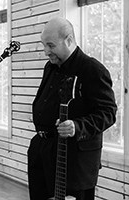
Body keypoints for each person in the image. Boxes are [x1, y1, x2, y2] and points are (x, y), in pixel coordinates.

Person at [28, 17, 117, 200]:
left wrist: (77, 126)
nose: (46, 51)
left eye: (51, 45)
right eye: (43, 45)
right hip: (42, 150)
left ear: (68, 40)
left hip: (73, 159)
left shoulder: (92, 69)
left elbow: (108, 113)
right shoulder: (51, 66)